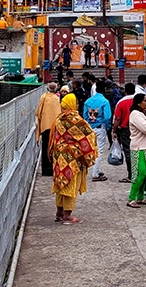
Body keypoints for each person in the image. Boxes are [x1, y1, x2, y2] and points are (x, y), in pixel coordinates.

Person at [49, 93, 98, 224]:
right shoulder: (73, 118)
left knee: (61, 183)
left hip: (59, 155)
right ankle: (67, 216)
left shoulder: (59, 118)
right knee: (70, 184)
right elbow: (88, 134)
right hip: (72, 157)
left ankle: (59, 213)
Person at [127, 94, 146, 208]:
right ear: (139, 103)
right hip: (139, 147)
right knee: (141, 172)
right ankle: (131, 198)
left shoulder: (140, 114)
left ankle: (140, 197)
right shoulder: (135, 114)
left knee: (145, 174)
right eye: (145, 101)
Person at [84, 83, 112, 182]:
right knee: (99, 151)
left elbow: (85, 116)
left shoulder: (88, 101)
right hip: (100, 127)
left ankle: (97, 169)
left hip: (90, 127)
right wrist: (108, 127)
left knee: (92, 149)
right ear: (104, 90)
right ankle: (95, 174)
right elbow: (107, 117)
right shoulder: (105, 101)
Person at [35, 82, 62, 176]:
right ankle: (53, 168)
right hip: (54, 127)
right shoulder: (56, 99)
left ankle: (45, 170)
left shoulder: (43, 97)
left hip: (45, 126)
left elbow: (38, 112)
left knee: (45, 146)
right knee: (53, 148)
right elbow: (58, 113)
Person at [112, 83, 137, 182]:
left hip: (125, 129)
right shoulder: (139, 100)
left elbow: (117, 118)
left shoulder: (121, 102)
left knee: (128, 151)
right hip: (138, 128)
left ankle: (131, 175)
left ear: (125, 91)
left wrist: (114, 130)